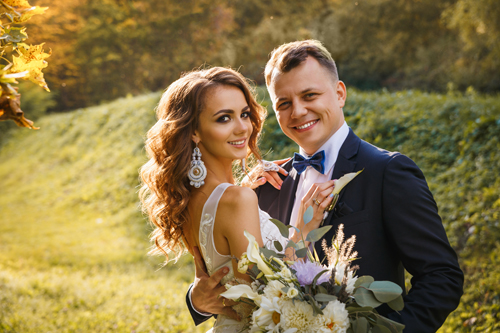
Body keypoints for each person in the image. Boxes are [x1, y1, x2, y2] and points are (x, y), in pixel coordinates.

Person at [186, 40, 464, 333]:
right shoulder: (265, 184)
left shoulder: (388, 171)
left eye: (310, 95)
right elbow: (241, 282)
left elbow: (441, 276)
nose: (298, 111)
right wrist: (196, 300)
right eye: (284, 103)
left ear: (340, 93)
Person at [139, 67, 335, 332]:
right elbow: (265, 298)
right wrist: (302, 231)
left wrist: (241, 187)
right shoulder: (237, 199)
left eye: (244, 114)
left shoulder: (191, 199)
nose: (243, 127)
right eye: (223, 119)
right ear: (194, 131)